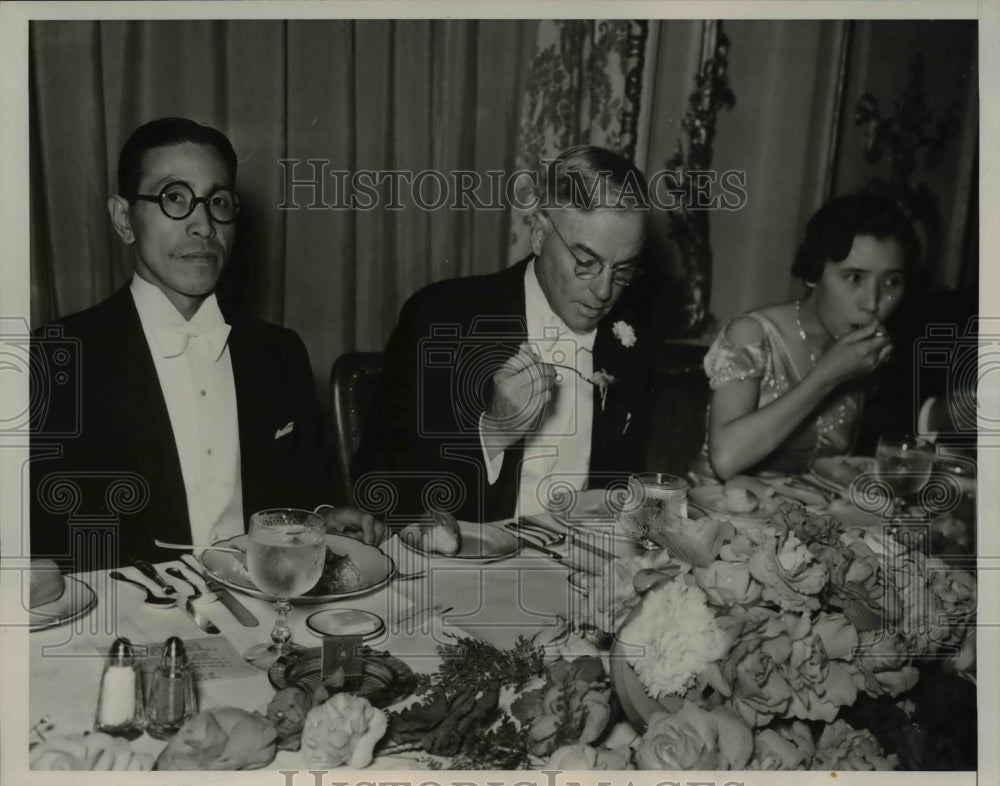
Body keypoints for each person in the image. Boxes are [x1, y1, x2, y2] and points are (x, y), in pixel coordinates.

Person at [30, 117, 384, 571]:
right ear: (123, 219)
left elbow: (300, 493)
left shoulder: (279, 352)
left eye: (218, 201)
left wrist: (322, 516)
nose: (203, 224)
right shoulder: (55, 358)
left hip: (261, 599)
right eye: (174, 197)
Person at [352, 145, 653, 523]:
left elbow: (622, 484)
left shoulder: (630, 338)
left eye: (623, 269)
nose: (604, 291)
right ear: (540, 233)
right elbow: (380, 486)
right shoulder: (444, 318)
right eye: (585, 262)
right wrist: (492, 434)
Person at [690, 190, 920, 481]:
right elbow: (726, 459)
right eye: (854, 278)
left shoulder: (865, 351)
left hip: (799, 506)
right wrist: (827, 376)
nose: (873, 303)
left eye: (892, 282)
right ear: (813, 273)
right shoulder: (753, 335)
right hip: (714, 503)